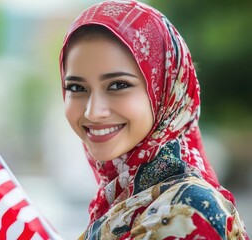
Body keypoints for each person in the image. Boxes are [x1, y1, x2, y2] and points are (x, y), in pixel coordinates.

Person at [59, 0, 249, 239]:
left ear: (165, 92)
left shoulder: (189, 211)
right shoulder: (124, 199)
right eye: (76, 87)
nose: (92, 112)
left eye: (118, 85)